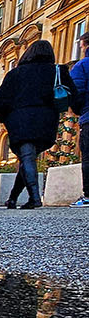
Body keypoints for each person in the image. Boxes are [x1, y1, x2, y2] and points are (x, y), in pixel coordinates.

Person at [0, 38, 74, 209]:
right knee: (28, 158)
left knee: (27, 157)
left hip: (20, 121)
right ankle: (13, 198)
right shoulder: (58, 71)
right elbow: (72, 94)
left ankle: (35, 198)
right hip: (46, 120)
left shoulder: (15, 74)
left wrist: (6, 119)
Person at [66, 31, 89, 206]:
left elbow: (76, 92)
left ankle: (88, 196)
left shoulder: (82, 66)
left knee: (87, 157)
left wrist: (77, 110)